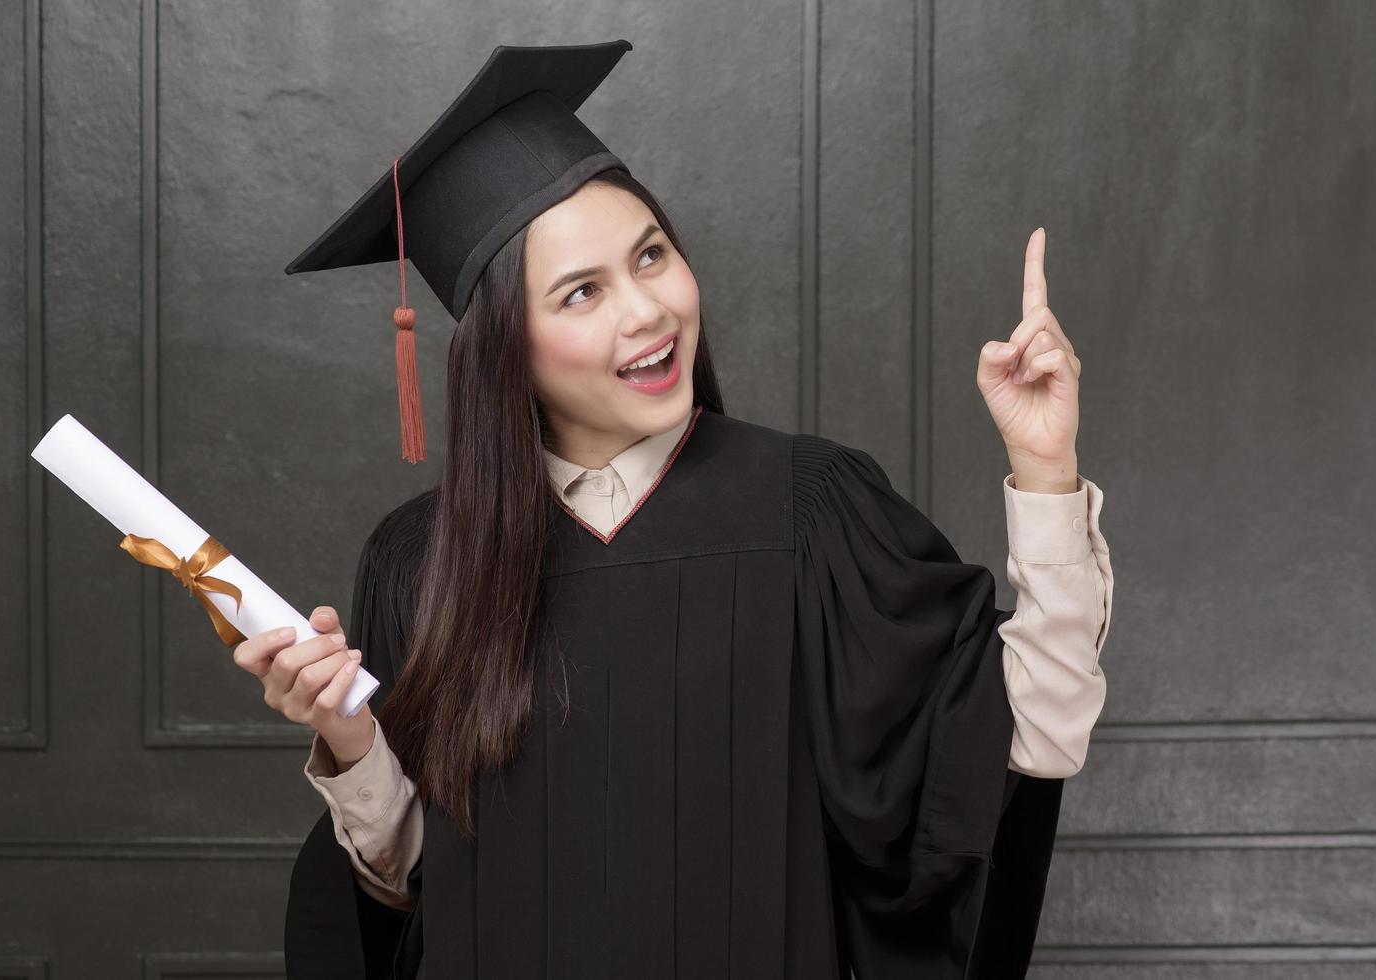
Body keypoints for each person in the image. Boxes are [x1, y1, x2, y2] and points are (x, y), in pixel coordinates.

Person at [237, 41, 1113, 979]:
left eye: (651, 255)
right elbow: (414, 890)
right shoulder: (420, 561)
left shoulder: (809, 514)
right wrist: (346, 735)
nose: (647, 312)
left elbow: (1010, 749)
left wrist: (1045, 469)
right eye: (583, 292)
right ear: (505, 349)